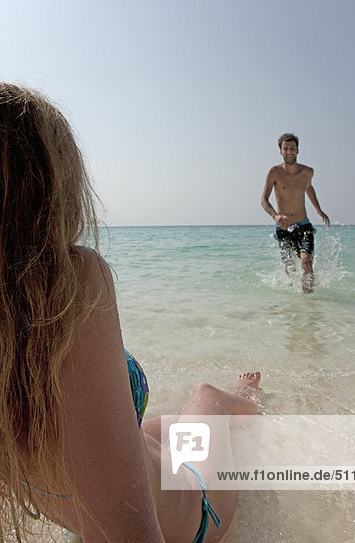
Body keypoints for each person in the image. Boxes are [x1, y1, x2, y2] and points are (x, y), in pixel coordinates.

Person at [0, 83, 262, 543]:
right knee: (207, 396)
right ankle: (247, 399)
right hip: (196, 515)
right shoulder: (67, 283)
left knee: (167, 427)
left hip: (123, 478)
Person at [261, 133, 330, 293]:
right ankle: (293, 304)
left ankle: (309, 302)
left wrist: (319, 210)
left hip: (303, 224)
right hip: (284, 228)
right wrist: (275, 216)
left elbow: (308, 188)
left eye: (292, 148)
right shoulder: (274, 172)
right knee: (290, 267)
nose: (289, 151)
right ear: (281, 151)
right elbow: (264, 200)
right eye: (285, 148)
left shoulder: (307, 172)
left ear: (298, 150)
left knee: (306, 262)